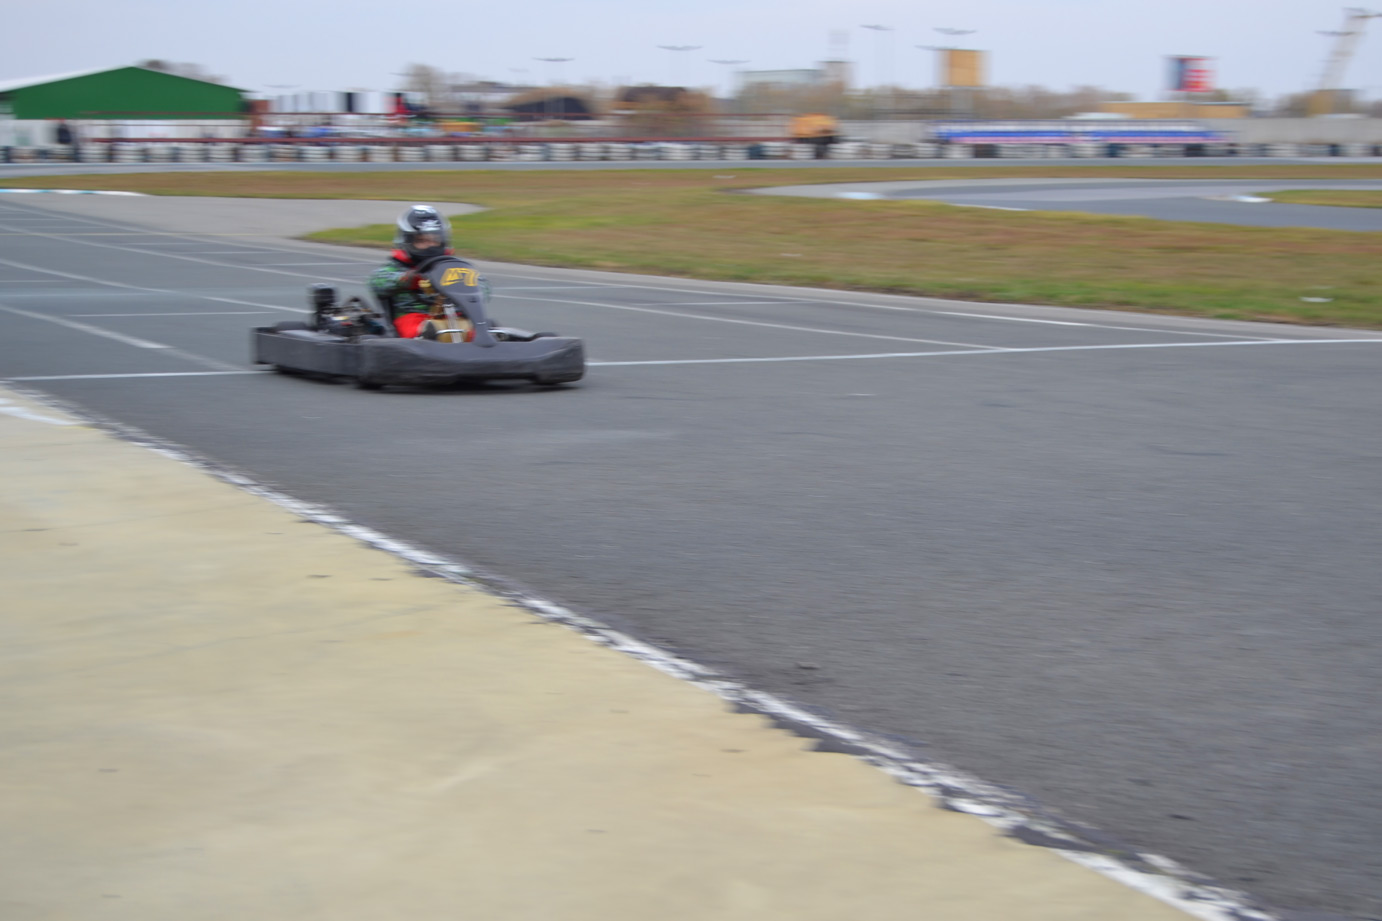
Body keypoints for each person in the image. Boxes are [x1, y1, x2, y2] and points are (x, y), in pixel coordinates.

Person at [368, 205, 456, 338]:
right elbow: (377, 281)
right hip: (413, 316)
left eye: (435, 240)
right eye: (421, 240)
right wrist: (408, 279)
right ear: (407, 240)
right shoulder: (398, 266)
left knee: (483, 328)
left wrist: (466, 282)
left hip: (453, 316)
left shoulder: (452, 266)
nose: (430, 245)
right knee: (428, 332)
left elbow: (482, 287)